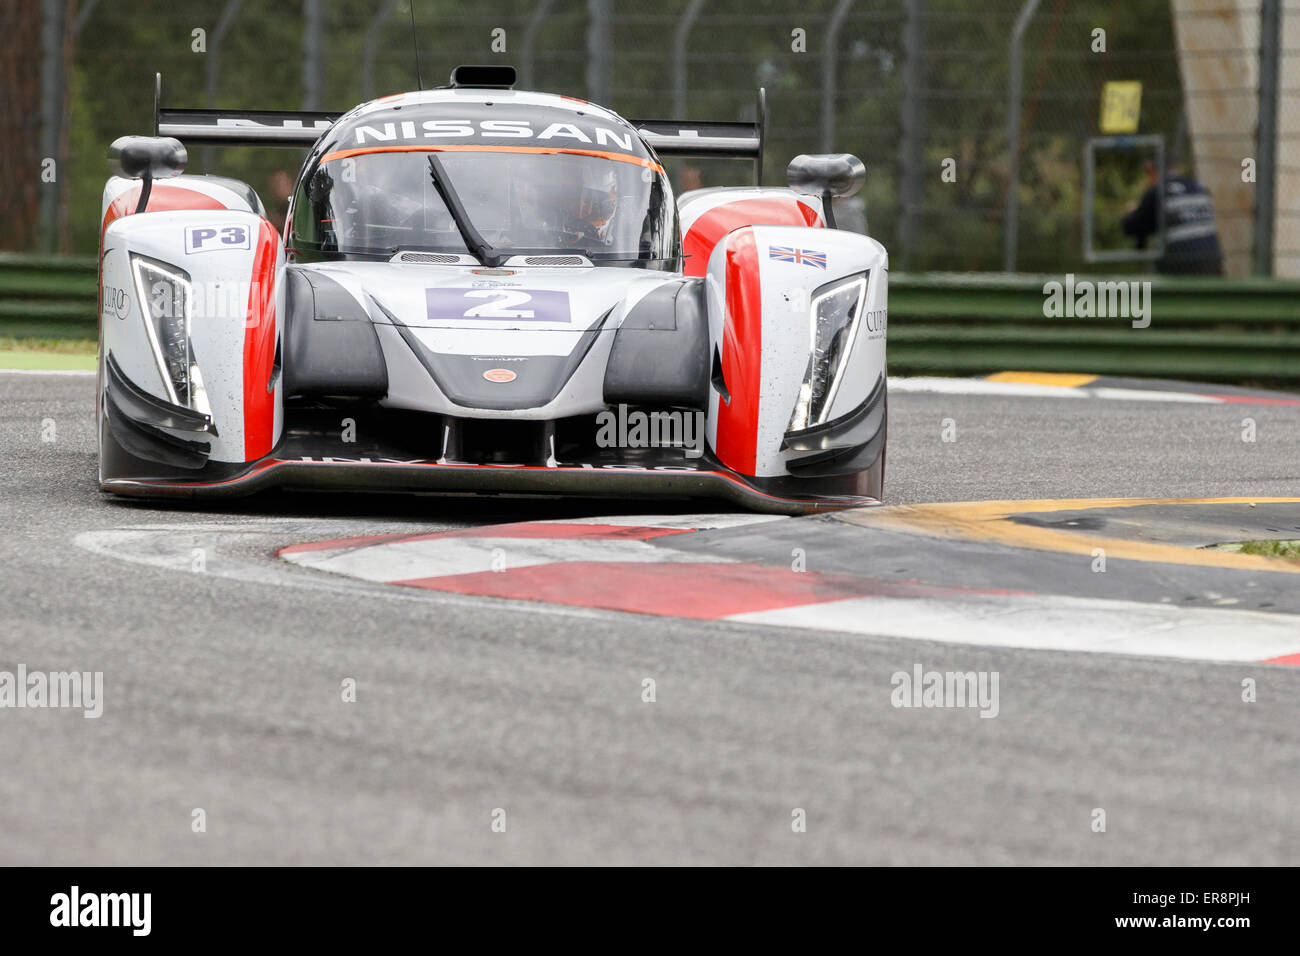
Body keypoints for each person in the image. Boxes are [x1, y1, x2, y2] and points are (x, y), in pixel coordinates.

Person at [1120, 161, 1223, 275]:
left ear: (1151, 170)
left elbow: (1132, 227)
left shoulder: (1158, 191)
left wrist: (1131, 213)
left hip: (1181, 265)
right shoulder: (1198, 187)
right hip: (1213, 261)